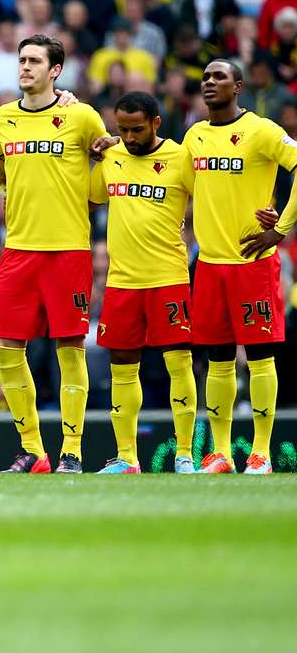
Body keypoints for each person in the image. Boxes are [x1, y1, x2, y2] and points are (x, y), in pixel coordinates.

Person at [0, 35, 109, 473]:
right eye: (21, 59)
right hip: (18, 249)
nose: (25, 66)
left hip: (68, 250)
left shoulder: (81, 116)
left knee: (70, 348)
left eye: (35, 60)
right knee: (6, 347)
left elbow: (113, 160)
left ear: (56, 70)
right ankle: (33, 451)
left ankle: (72, 450)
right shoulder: (0, 119)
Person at [185, 59, 297, 474]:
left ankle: (261, 453)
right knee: (217, 358)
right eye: (205, 77)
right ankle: (219, 453)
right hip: (209, 264)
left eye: (219, 77)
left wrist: (280, 229)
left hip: (253, 262)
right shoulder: (194, 136)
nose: (209, 82)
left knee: (260, 355)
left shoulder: (261, 130)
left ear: (238, 86)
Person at [88, 92, 203, 473]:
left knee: (179, 363)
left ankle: (184, 454)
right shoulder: (112, 156)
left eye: (136, 129)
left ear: (156, 122)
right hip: (122, 280)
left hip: (168, 277)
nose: (129, 137)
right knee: (121, 364)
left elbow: (210, 198)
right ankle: (127, 457)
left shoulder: (180, 157)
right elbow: (93, 198)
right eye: (122, 129)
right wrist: (97, 153)